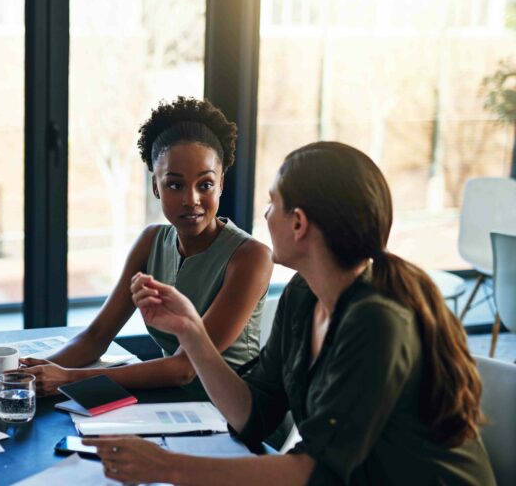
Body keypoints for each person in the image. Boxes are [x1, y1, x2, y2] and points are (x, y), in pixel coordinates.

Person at [87, 141, 495, 485]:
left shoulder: (377, 322)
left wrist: (166, 467)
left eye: (272, 204)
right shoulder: (303, 294)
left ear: (298, 223)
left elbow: (313, 471)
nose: (265, 216)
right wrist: (192, 332)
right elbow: (255, 414)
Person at [21, 96, 272, 396]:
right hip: (171, 406)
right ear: (156, 186)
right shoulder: (151, 242)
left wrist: (68, 379)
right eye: (175, 185)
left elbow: (184, 368)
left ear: (221, 184)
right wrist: (25, 371)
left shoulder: (251, 257)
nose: (191, 199)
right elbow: (97, 336)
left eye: (204, 184)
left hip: (239, 419)